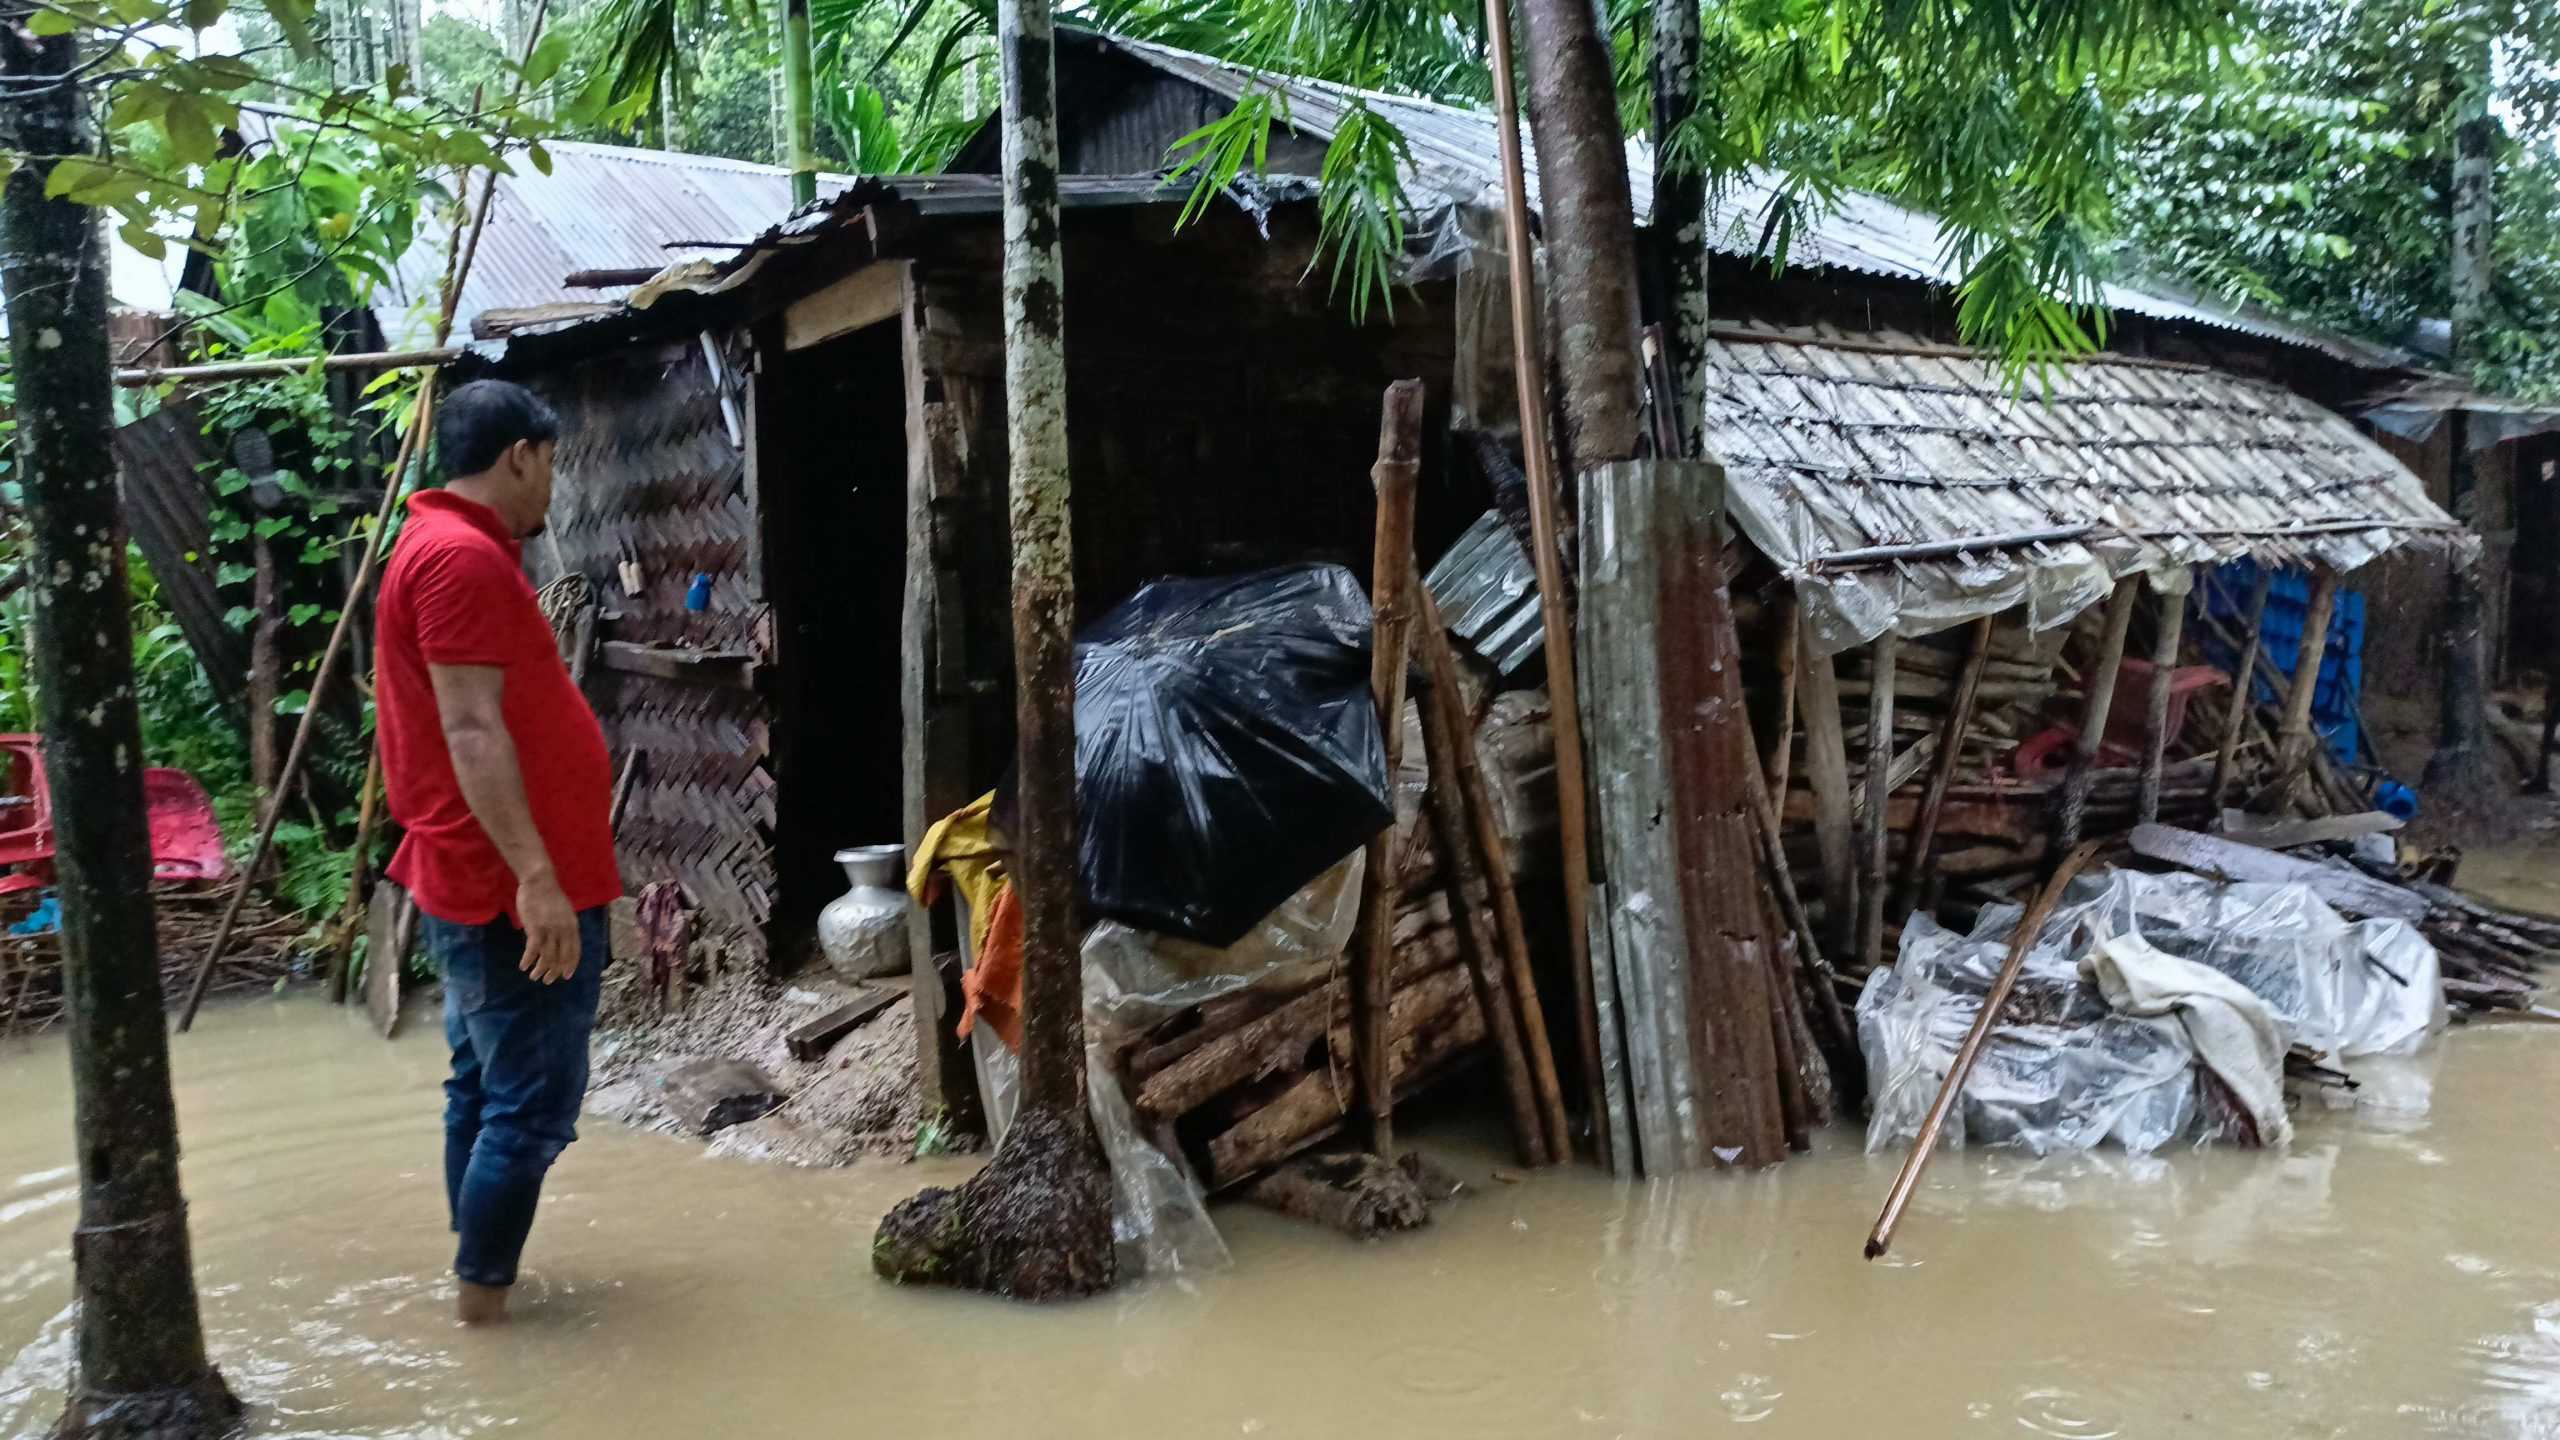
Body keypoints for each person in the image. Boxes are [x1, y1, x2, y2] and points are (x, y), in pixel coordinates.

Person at [376, 379, 620, 1326]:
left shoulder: (447, 549)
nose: (553, 484)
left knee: (481, 1087)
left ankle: (475, 1278)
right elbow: (472, 731)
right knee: (531, 1106)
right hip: (499, 886)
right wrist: (536, 878)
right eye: (552, 463)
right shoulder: (459, 562)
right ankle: (483, 1311)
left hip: (478, 874)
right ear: (520, 453)